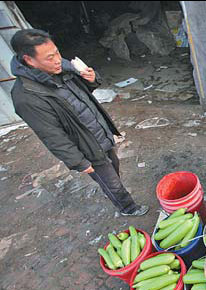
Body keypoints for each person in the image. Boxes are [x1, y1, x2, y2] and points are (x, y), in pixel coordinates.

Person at [10, 29, 149, 216]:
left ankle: (114, 190)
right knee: (110, 181)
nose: (58, 59)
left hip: (99, 132)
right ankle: (128, 208)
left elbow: (81, 94)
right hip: (86, 147)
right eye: (50, 57)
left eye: (57, 52)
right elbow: (52, 136)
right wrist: (79, 162)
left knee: (113, 168)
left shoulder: (62, 67)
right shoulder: (26, 97)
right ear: (29, 60)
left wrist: (92, 80)